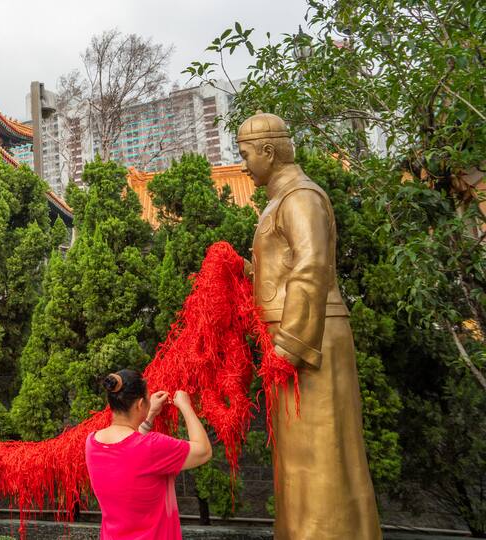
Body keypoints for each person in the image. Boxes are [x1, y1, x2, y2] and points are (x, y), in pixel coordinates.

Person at [238, 111, 380, 539]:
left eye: (245, 153)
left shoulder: (301, 197)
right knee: (298, 461)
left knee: (321, 456)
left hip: (308, 338)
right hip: (296, 336)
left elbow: (312, 267)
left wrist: (289, 345)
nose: (244, 164)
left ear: (268, 151)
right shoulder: (282, 201)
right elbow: (283, 272)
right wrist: (238, 271)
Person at [86, 369, 212, 539]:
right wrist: (185, 405)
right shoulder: (152, 446)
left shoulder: (92, 443)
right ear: (139, 404)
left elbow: (130, 455)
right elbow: (203, 451)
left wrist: (149, 415)